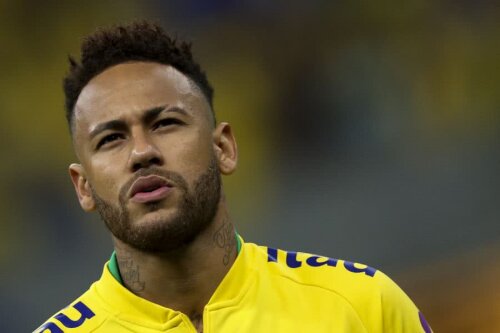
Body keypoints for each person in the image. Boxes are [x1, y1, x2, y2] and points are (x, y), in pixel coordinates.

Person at [35, 21, 432, 333]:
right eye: (111, 138)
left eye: (166, 123)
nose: (141, 152)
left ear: (223, 147)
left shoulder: (363, 307)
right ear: (82, 187)